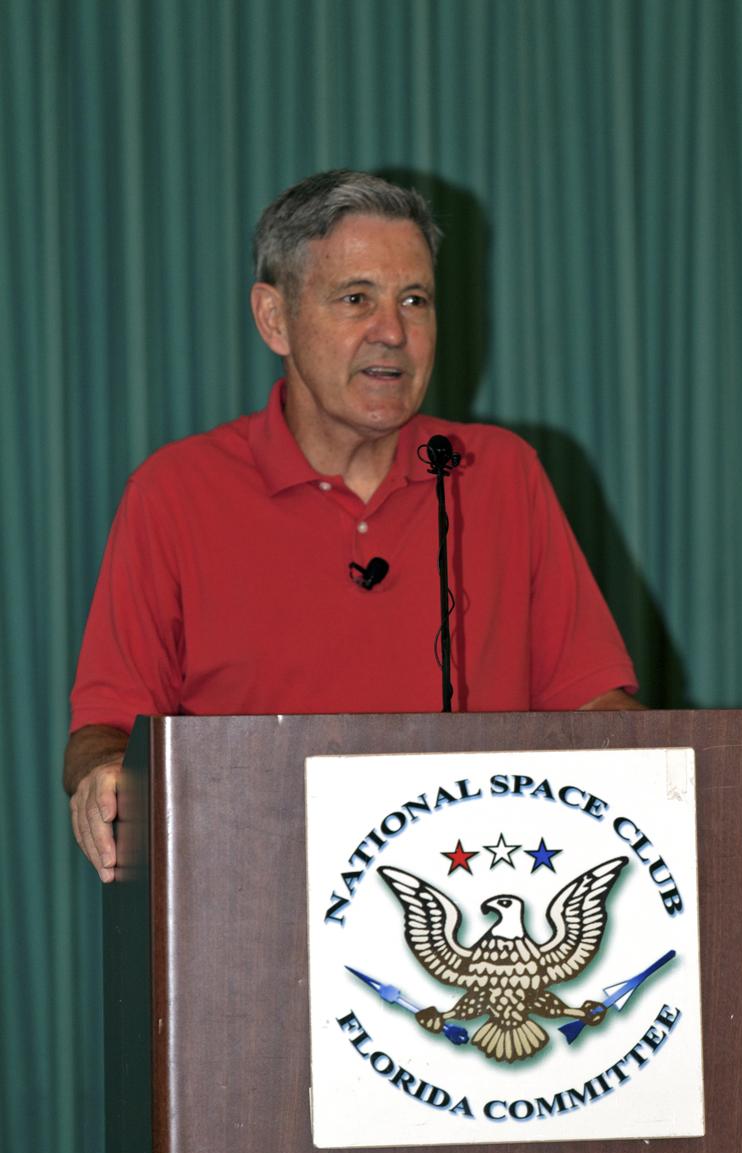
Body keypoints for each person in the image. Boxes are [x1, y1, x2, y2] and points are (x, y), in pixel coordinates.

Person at [64, 170, 641, 884]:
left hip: (478, 902)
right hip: (252, 913)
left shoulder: (500, 474)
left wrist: (668, 775)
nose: (392, 332)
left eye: (414, 300)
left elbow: (594, 704)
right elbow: (108, 727)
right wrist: (100, 773)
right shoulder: (175, 492)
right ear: (274, 318)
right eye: (355, 299)